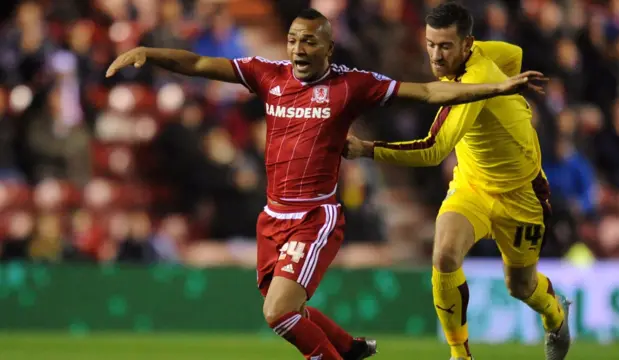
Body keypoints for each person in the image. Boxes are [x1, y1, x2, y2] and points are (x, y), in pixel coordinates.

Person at [106, 8, 545, 360]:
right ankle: (350, 347)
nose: (298, 48)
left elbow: (430, 93)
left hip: (315, 216)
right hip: (272, 215)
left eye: (309, 41)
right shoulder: (269, 75)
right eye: (293, 39)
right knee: (285, 308)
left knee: (277, 312)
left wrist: (497, 88)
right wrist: (150, 51)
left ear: (328, 48)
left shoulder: (351, 85)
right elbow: (201, 63)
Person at [343, 3, 570, 360]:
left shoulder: (472, 81)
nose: (435, 54)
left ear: (466, 45)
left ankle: (556, 315)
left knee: (521, 286)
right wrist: (508, 88)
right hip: (472, 185)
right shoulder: (482, 54)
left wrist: (367, 149)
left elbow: (433, 150)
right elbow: (514, 54)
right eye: (431, 44)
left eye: (445, 46)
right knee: (445, 254)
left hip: (521, 194)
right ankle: (459, 355)